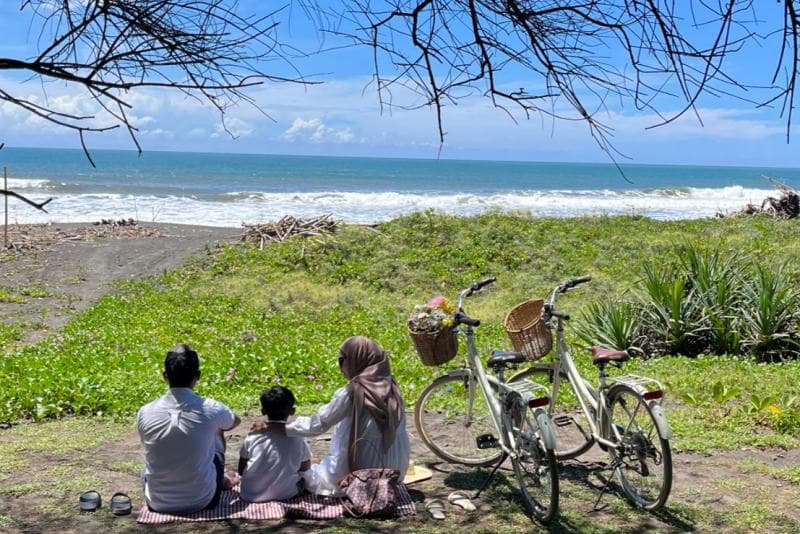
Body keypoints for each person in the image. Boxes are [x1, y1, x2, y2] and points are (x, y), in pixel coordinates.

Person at [284, 336, 410, 496]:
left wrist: (281, 427)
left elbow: (317, 425)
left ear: (356, 361)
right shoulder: (393, 389)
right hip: (395, 474)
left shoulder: (352, 393)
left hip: (358, 475)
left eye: (342, 360)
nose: (340, 366)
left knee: (308, 474)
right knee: (319, 464)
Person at [137, 343, 241, 514]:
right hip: (203, 500)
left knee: (150, 463)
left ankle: (215, 479)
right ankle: (220, 480)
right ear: (197, 376)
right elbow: (234, 421)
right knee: (217, 428)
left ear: (165, 375)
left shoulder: (145, 411)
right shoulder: (211, 408)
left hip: (157, 502)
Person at [237, 386, 311, 502]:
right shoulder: (298, 438)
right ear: (292, 411)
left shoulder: (253, 435)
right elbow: (305, 469)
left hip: (249, 494)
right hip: (286, 494)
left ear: (263, 411)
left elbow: (241, 470)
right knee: (307, 478)